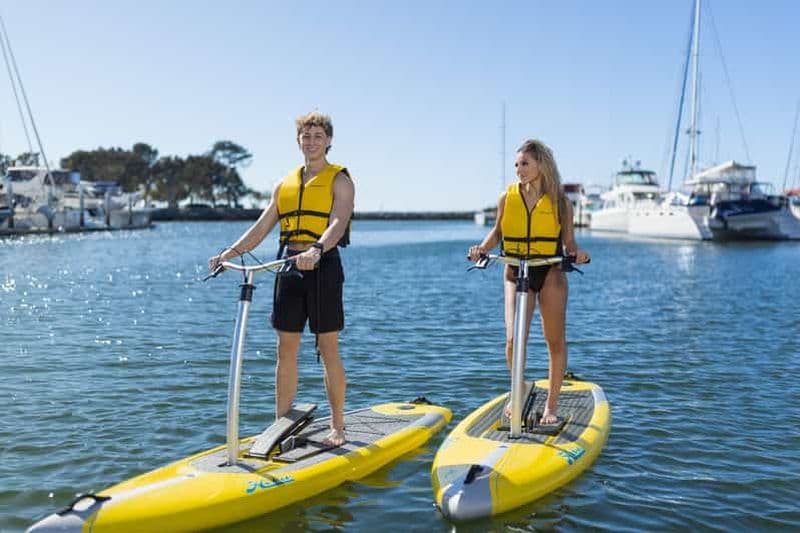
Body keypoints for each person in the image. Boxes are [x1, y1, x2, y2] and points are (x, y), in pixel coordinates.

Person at [208, 111, 354, 446]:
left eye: (319, 136)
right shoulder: (283, 184)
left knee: (327, 348)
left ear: (329, 140)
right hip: (288, 267)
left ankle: (338, 426)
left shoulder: (340, 180)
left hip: (323, 266)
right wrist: (228, 254)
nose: (312, 142)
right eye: (306, 136)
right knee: (284, 349)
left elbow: (338, 222)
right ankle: (281, 426)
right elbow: (261, 228)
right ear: (298, 141)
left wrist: (317, 249)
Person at [467, 139, 589, 425]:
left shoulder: (560, 201)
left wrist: (577, 253)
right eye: (517, 165)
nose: (519, 170)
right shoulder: (506, 197)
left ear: (541, 165)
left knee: (554, 341)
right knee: (512, 340)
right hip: (514, 270)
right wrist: (481, 249)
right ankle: (518, 388)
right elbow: (496, 233)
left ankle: (551, 406)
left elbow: (568, 241)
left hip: (549, 271)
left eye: (525, 164)